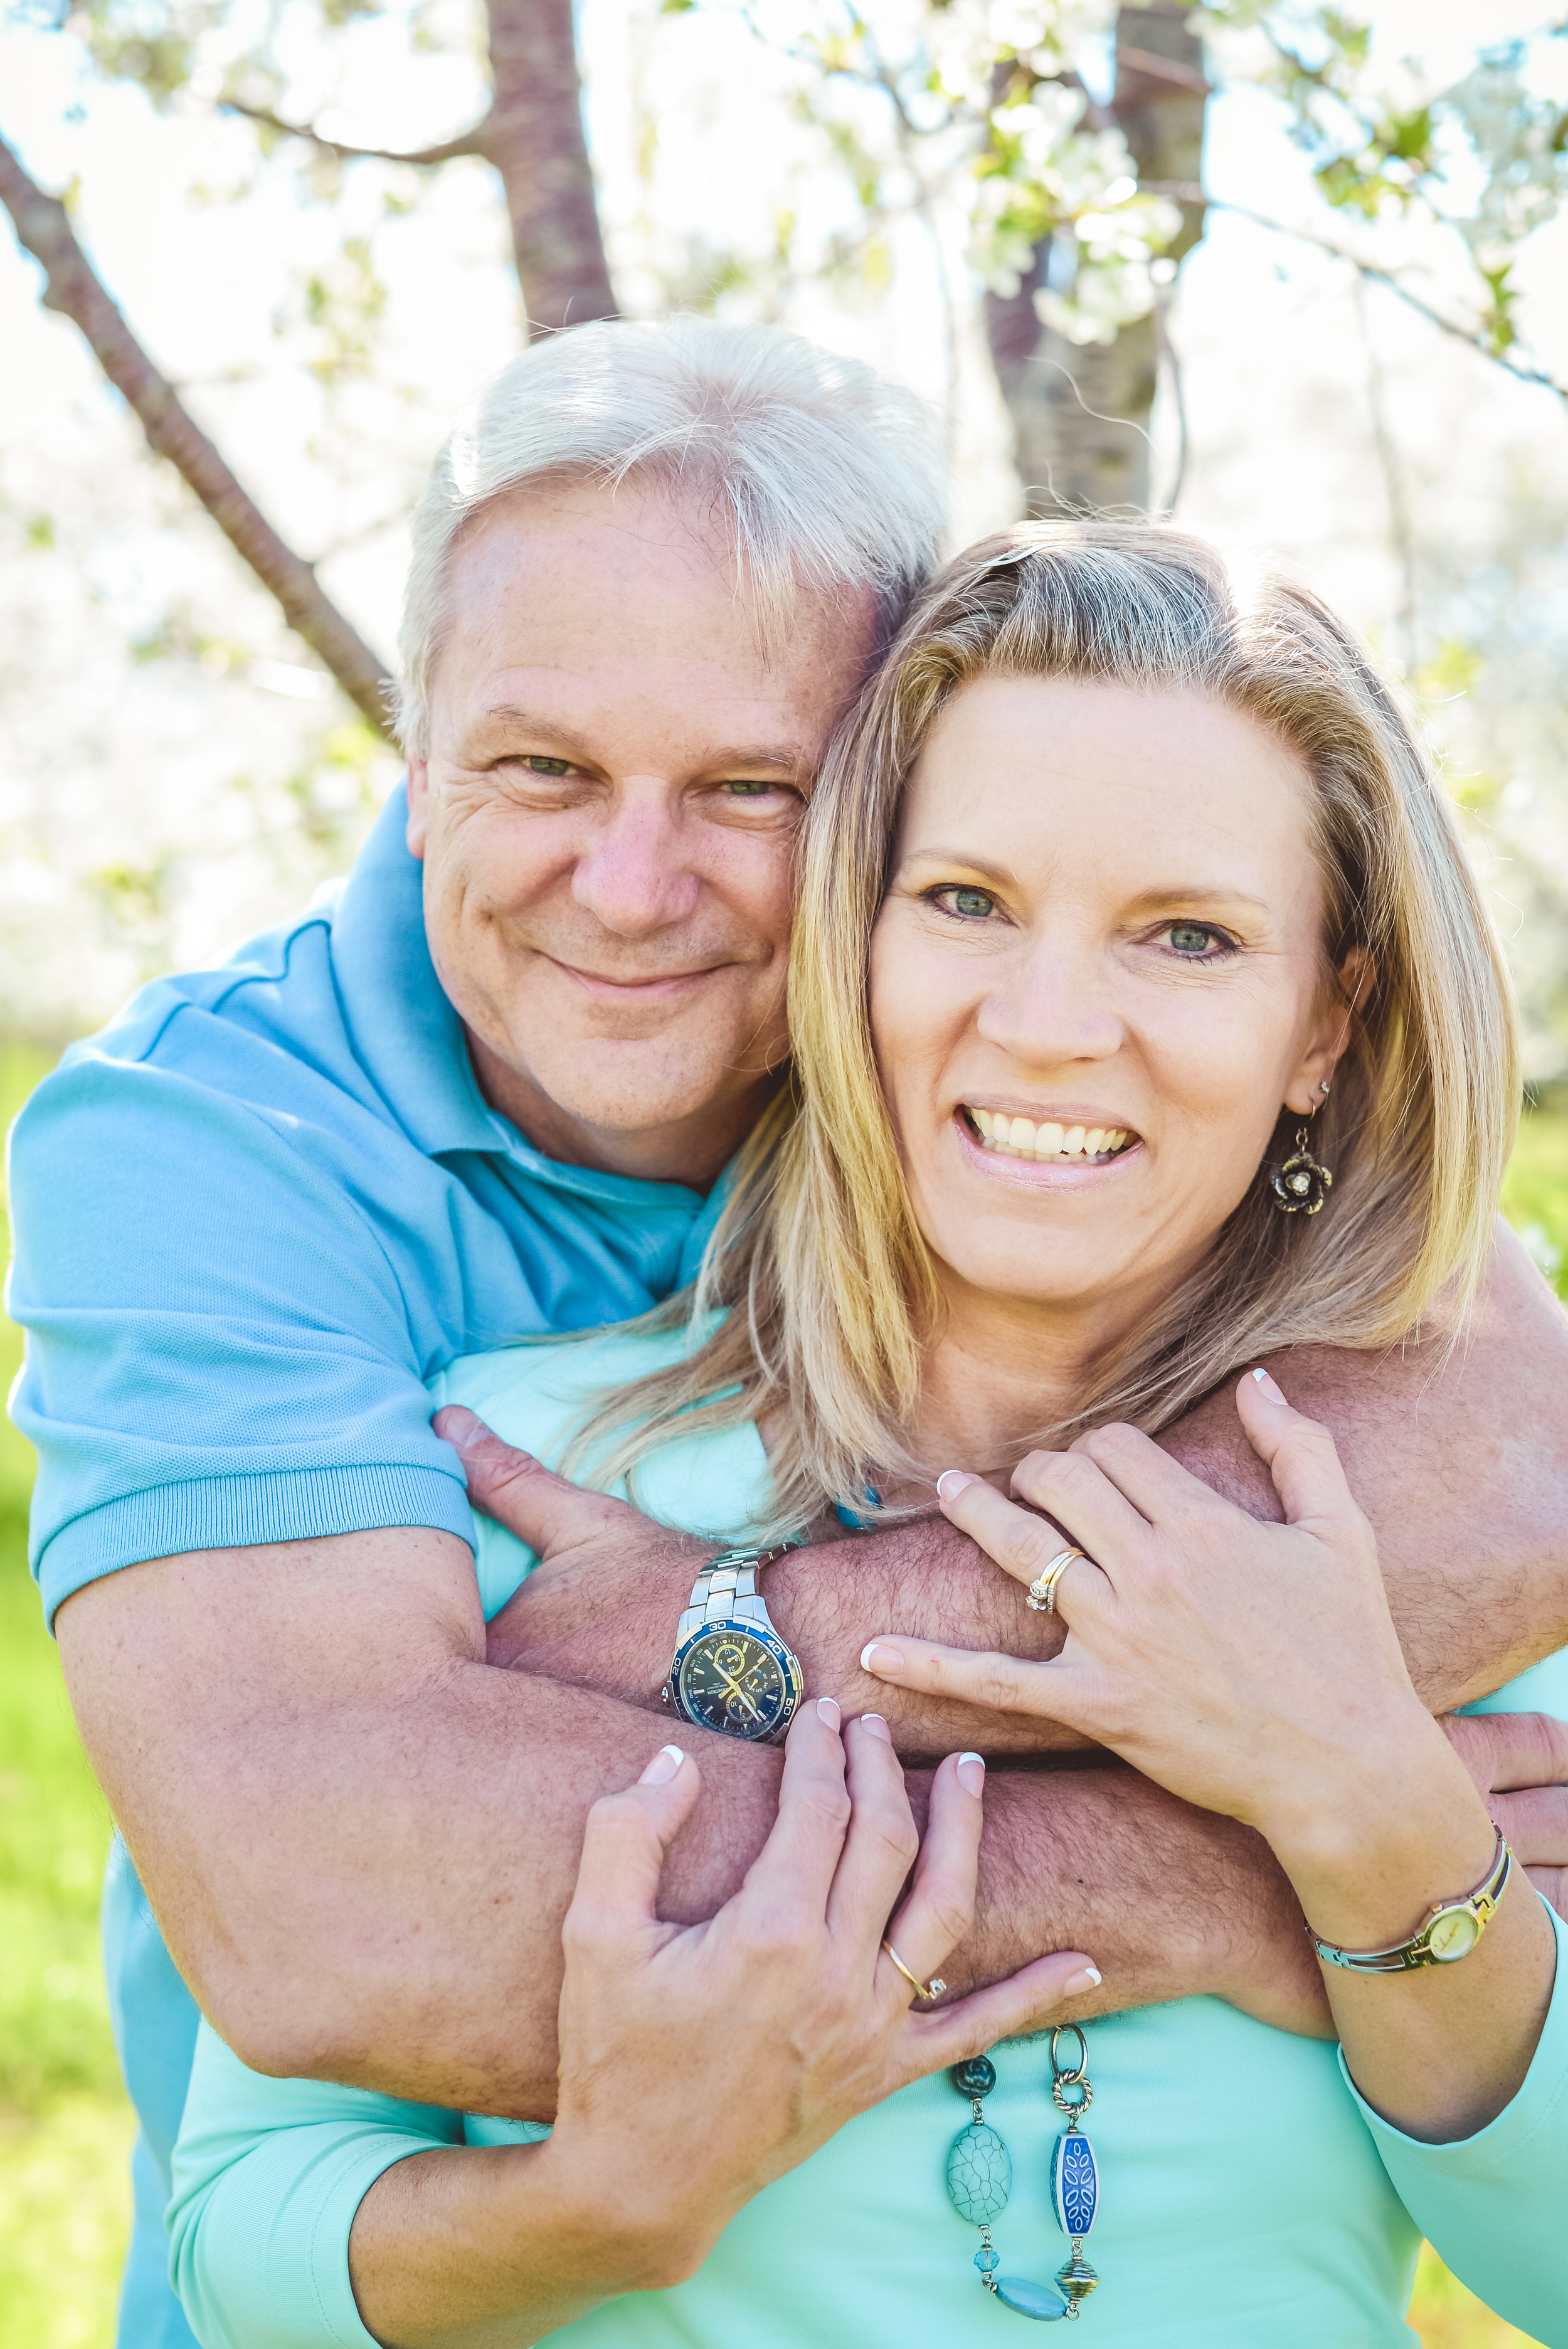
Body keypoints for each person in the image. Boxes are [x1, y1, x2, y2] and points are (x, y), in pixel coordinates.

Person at [8, 326, 1567, 2349]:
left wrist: (1363, 1817)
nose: (635, 889)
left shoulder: (1388, 1537)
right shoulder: (433, 1385)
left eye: (745, 788)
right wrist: (1258, 1869)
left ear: (1327, 1021)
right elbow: (304, 2024)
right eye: (540, 765)